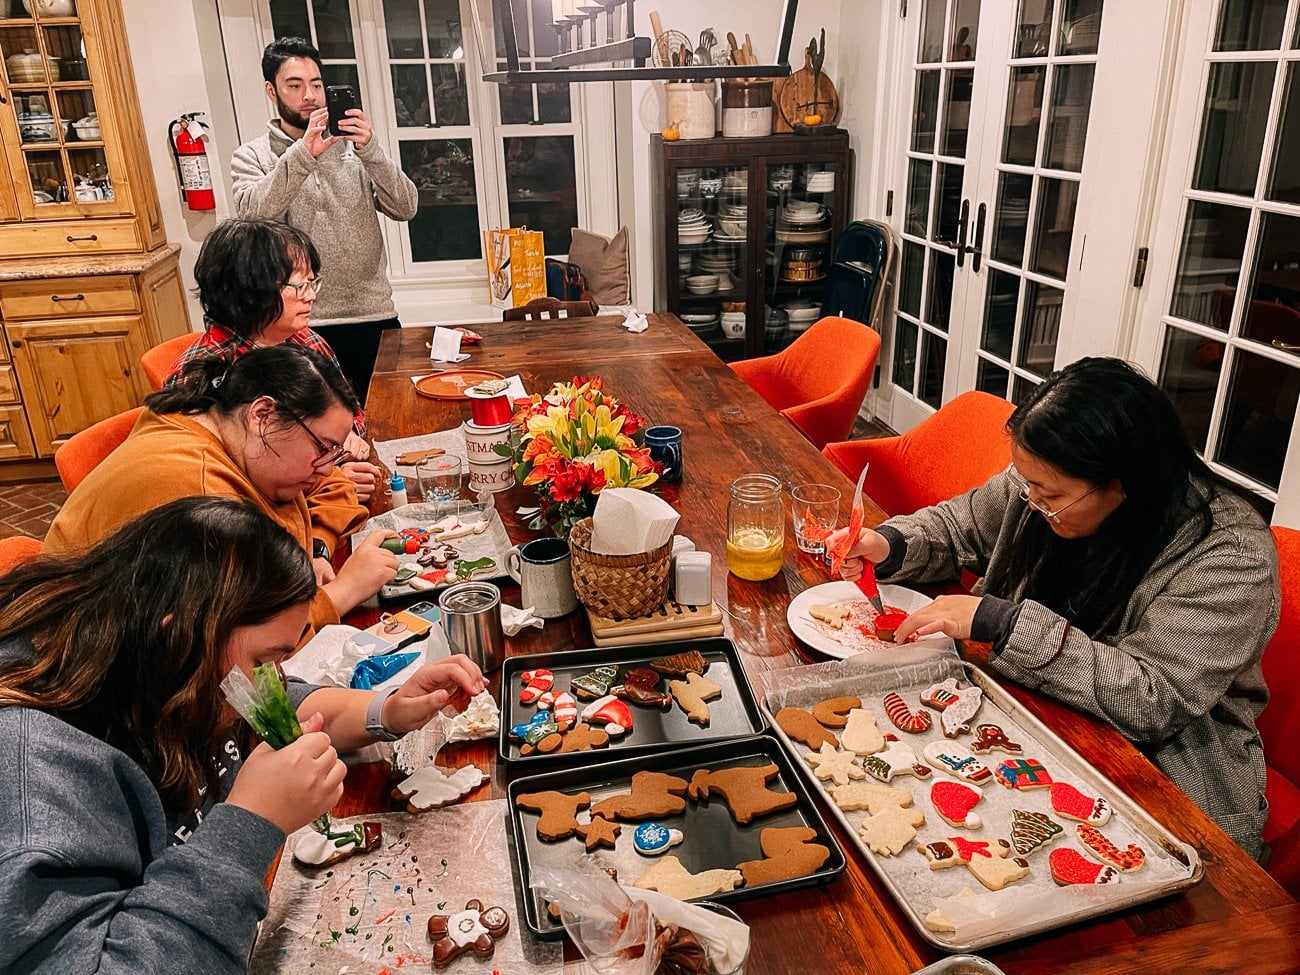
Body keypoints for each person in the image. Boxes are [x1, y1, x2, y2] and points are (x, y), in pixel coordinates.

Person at [0, 497, 486, 974]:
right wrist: (249, 824)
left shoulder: (157, 663)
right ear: (177, 636)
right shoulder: (35, 781)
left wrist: (390, 710)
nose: (272, 679)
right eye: (264, 660)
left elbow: (272, 704)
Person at [829, 357, 1280, 859]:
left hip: (1162, 777)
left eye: (1051, 496)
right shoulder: (1043, 481)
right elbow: (961, 525)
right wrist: (890, 544)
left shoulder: (1229, 553)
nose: (1032, 501)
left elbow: (1155, 699)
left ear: (1123, 483)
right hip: (1024, 717)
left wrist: (1002, 622)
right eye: (1027, 486)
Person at [44, 345, 393, 638]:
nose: (326, 467)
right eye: (322, 447)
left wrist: (315, 548)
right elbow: (240, 646)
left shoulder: (230, 430)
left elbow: (333, 485)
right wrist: (343, 592)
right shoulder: (200, 493)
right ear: (263, 416)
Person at [230, 36, 418, 399]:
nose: (310, 96)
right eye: (294, 85)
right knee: (316, 437)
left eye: (316, 84)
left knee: (389, 425)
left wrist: (372, 150)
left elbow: (405, 207)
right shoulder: (251, 155)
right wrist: (303, 155)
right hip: (298, 323)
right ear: (272, 91)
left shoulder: (355, 147)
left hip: (373, 315)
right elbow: (253, 219)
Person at [166, 217, 383, 501]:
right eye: (300, 286)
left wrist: (344, 438)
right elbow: (219, 488)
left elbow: (352, 411)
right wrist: (329, 482)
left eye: (312, 282)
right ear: (251, 291)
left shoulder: (306, 341)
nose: (311, 296)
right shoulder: (202, 373)